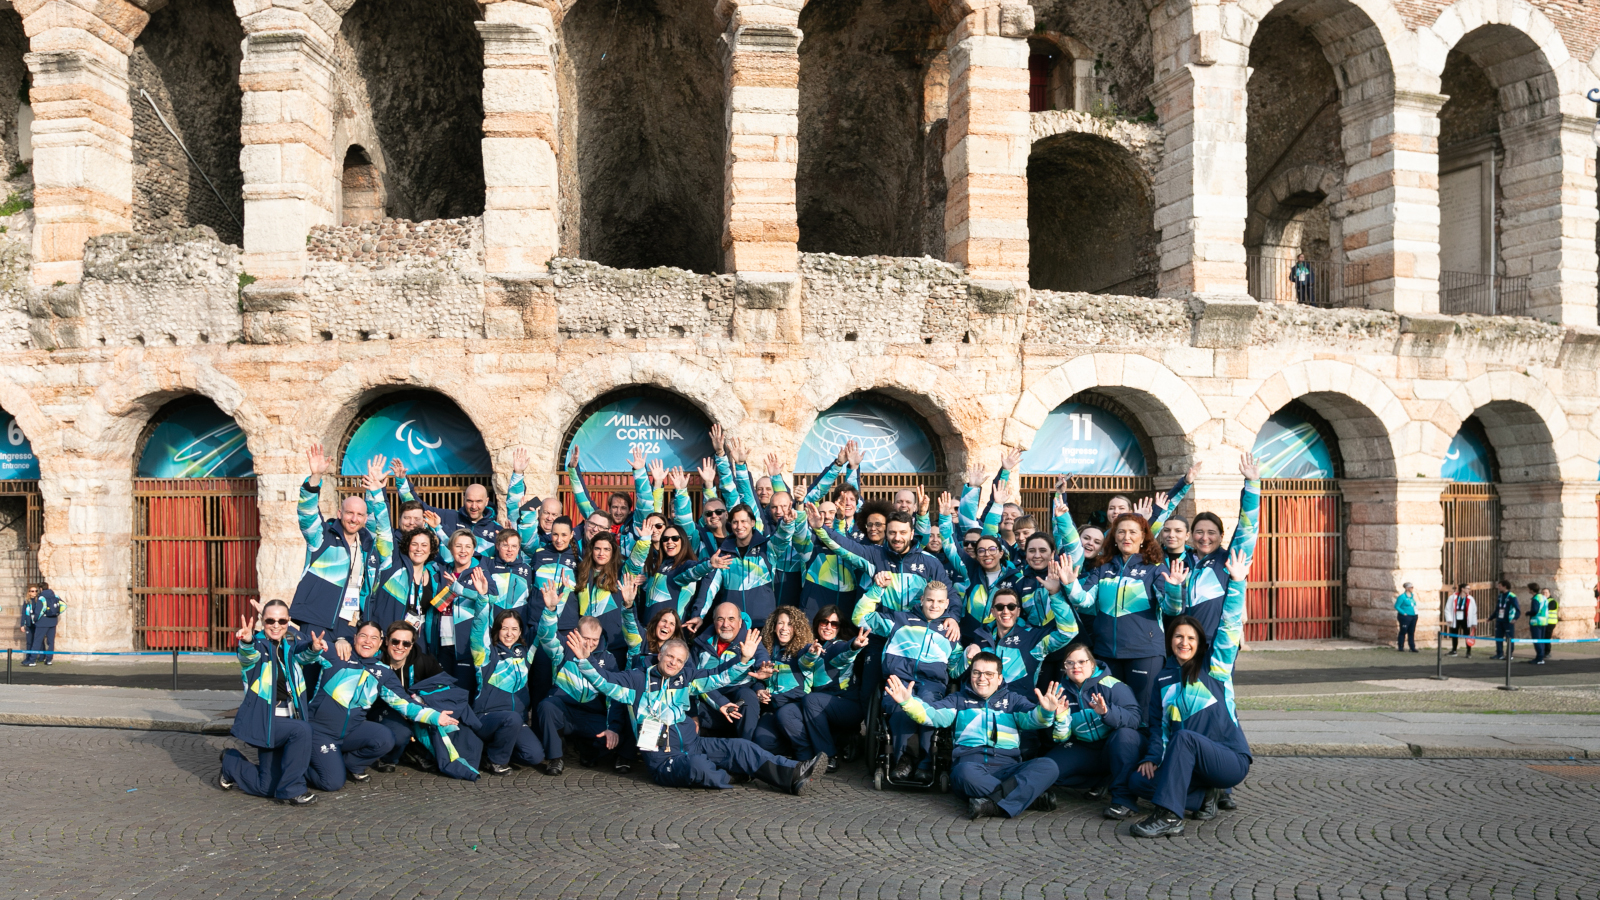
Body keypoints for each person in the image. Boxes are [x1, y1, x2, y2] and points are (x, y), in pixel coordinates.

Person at [569, 628, 824, 793]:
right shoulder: (636, 681)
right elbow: (604, 681)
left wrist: (743, 660)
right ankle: (733, 775)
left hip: (694, 742)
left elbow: (717, 677)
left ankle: (793, 773)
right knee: (698, 766)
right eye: (670, 657)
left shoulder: (686, 678)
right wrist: (584, 661)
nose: (674, 663)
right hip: (664, 759)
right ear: (660, 655)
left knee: (741, 747)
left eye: (680, 661)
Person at [1127, 551, 1253, 837]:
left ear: (1200, 643)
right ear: (1170, 640)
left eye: (1191, 638)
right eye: (1178, 637)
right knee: (1137, 781)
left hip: (1228, 760)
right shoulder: (1164, 679)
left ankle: (1170, 816)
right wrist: (1152, 758)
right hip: (1192, 764)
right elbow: (1160, 729)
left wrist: (1237, 582)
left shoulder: (1215, 668)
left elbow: (1230, 625)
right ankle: (1201, 797)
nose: (1184, 642)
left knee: (1184, 738)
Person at [884, 653, 1064, 819]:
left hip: (1009, 768)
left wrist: (1046, 712)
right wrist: (908, 702)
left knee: (1049, 766)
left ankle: (994, 805)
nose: (981, 678)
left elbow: (1032, 719)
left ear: (1000, 678)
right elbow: (931, 716)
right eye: (976, 672)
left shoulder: (1014, 701)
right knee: (964, 773)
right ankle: (1025, 798)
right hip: (971, 767)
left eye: (988, 674)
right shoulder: (957, 700)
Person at [303, 620, 457, 791]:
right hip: (322, 732)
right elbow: (301, 657)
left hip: (351, 731)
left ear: (380, 643)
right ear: (355, 638)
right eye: (363, 636)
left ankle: (350, 764)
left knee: (385, 738)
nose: (368, 641)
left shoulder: (383, 671)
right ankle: (299, 766)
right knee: (331, 783)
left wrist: (435, 716)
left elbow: (404, 703)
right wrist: (312, 649)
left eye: (374, 638)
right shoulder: (336, 653)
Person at [855, 574, 964, 783]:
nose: (934, 605)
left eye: (940, 601)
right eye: (930, 600)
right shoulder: (898, 620)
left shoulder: (950, 632)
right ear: (922, 600)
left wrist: (968, 657)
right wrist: (876, 590)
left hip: (931, 684)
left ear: (947, 604)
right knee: (900, 708)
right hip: (899, 679)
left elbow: (955, 671)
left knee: (927, 708)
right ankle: (904, 760)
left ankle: (925, 763)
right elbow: (860, 618)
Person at [1065, 512, 1173, 720]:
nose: (1127, 537)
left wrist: (1175, 589)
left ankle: (1148, 751)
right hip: (1106, 653)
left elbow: (1171, 608)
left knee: (1145, 712)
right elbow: (1084, 601)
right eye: (1121, 532)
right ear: (1113, 537)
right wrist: (1070, 583)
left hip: (1144, 653)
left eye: (1133, 532)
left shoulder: (1155, 569)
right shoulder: (1103, 568)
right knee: (1110, 708)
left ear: (1143, 537)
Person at [217, 599, 322, 806]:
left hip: (287, 718)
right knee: (302, 731)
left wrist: (314, 648)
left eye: (281, 620)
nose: (276, 625)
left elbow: (305, 656)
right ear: (262, 621)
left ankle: (230, 762)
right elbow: (248, 656)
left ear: (288, 621)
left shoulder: (290, 645)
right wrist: (246, 641)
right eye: (270, 620)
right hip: (265, 721)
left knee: (267, 787)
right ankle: (293, 790)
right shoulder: (257, 644)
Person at [292, 446, 387, 644]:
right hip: (315, 618)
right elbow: (306, 514)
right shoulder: (322, 538)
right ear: (339, 514)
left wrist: (376, 490)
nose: (354, 519)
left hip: (348, 621)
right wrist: (315, 477)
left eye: (360, 515)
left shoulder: (367, 546)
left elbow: (381, 523)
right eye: (349, 513)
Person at [533, 582, 624, 776]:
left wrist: (613, 728)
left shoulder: (608, 659)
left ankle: (586, 749)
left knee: (616, 737)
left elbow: (613, 696)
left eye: (595, 640)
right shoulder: (564, 648)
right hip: (563, 710)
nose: (590, 644)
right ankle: (555, 758)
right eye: (586, 638)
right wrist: (550, 610)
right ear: (576, 634)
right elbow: (546, 636)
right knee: (546, 706)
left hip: (590, 714)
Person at [1045, 641, 1143, 819]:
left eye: (1082, 662)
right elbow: (1061, 738)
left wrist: (1107, 712)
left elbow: (1135, 719)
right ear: (1064, 667)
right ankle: (1103, 779)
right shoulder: (1059, 692)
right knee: (1049, 771)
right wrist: (1060, 718)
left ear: (1092, 664)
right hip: (1084, 747)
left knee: (1125, 735)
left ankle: (1124, 800)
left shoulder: (1112, 685)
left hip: (1112, 745)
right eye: (1070, 663)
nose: (1076, 667)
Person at [461, 584, 547, 774]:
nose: (509, 633)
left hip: (515, 721)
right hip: (486, 718)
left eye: (514, 629)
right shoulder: (485, 654)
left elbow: (544, 632)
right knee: (512, 718)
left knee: (534, 756)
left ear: (520, 632)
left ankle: (492, 750)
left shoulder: (525, 653)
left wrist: (550, 609)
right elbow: (478, 630)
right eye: (504, 628)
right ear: (497, 630)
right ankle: (495, 761)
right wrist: (483, 599)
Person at [777, 606, 869, 772]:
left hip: (848, 706)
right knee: (787, 712)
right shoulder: (811, 645)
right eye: (824, 622)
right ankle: (805, 756)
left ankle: (828, 756)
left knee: (811, 700)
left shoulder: (837, 645)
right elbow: (805, 661)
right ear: (817, 623)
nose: (828, 627)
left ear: (840, 628)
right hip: (820, 706)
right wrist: (812, 653)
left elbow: (843, 654)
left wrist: (854, 646)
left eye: (834, 624)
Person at [369, 619, 446, 772]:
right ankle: (389, 757)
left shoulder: (423, 661)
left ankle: (414, 749)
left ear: (412, 646)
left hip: (414, 707)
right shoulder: (375, 661)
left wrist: (423, 700)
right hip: (382, 710)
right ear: (386, 642)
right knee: (400, 734)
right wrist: (341, 641)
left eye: (406, 643)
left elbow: (443, 686)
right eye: (395, 642)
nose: (400, 647)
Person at [690, 601, 772, 742]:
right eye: (720, 619)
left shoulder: (749, 639)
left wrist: (763, 669)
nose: (725, 624)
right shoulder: (701, 643)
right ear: (714, 622)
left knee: (747, 696)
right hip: (709, 699)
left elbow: (762, 658)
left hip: (738, 701)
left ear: (740, 622)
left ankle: (746, 749)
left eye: (731, 619)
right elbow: (689, 677)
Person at [391, 458, 501, 558]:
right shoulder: (448, 516)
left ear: (486, 501)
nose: (474, 506)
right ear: (463, 499)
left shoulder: (497, 530)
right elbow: (418, 509)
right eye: (470, 501)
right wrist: (402, 482)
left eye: (478, 501)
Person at [751, 605, 817, 756]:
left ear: (797, 628)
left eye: (790, 624)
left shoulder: (802, 649)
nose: (784, 628)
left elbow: (807, 658)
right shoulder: (765, 651)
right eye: (780, 623)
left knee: (785, 714)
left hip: (796, 709)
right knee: (761, 742)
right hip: (773, 710)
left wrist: (812, 653)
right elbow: (758, 678)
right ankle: (789, 752)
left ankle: (806, 757)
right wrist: (759, 690)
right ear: (773, 627)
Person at [19, 583, 64, 667]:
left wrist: (35, 619)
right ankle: (49, 660)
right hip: (53, 622)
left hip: (42, 623)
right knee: (51, 642)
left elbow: (38, 612)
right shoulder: (55, 596)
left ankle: (32, 660)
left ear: (40, 589)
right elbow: (64, 606)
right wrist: (56, 614)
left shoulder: (41, 598)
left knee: (37, 641)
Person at [1490, 580, 1519, 661]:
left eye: (1499, 586)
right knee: (1498, 637)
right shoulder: (1500, 596)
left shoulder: (1512, 596)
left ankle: (1509, 654)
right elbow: (1497, 609)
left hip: (1508, 621)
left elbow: (1517, 609)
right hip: (1499, 620)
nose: (1498, 587)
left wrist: (1515, 618)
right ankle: (1499, 654)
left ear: (1504, 586)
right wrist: (1491, 618)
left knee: (1509, 638)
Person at [1446, 583, 1477, 657]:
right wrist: (1449, 618)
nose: (1469, 590)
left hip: (1465, 619)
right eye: (1467, 588)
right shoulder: (1452, 597)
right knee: (1454, 634)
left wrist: (1474, 622)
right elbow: (1447, 609)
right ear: (1462, 589)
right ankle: (1454, 650)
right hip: (1455, 618)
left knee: (1467, 635)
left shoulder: (1470, 598)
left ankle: (1468, 652)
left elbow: (1474, 611)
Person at [1526, 583, 1553, 665]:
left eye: (1528, 589)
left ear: (1531, 589)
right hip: (1544, 621)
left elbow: (1535, 610)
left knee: (1537, 640)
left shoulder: (1536, 598)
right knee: (1541, 640)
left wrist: (1528, 613)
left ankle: (1539, 658)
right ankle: (1540, 656)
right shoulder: (1543, 597)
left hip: (1536, 622)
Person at [1394, 582, 1418, 653]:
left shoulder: (1412, 596)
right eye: (1411, 587)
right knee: (1403, 631)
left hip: (1413, 616)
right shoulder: (1402, 597)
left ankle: (1412, 647)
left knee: (1411, 631)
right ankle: (1401, 646)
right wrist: (1403, 613)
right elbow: (1397, 606)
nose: (1412, 589)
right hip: (1405, 617)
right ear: (1407, 588)